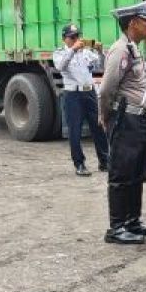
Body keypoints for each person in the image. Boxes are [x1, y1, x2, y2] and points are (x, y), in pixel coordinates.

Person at [97, 0, 146, 244]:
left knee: (136, 173)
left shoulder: (134, 48)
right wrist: (104, 116)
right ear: (133, 23)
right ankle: (116, 227)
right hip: (126, 120)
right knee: (121, 174)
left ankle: (132, 222)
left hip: (139, 121)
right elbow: (106, 89)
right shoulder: (121, 49)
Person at [53, 23, 109, 177]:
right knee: (75, 131)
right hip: (73, 95)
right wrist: (72, 50)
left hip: (89, 92)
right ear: (65, 39)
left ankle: (104, 161)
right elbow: (60, 66)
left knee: (98, 127)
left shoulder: (86, 52)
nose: (77, 39)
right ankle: (79, 164)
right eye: (73, 37)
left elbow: (101, 65)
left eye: (78, 36)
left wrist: (100, 52)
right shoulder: (60, 53)